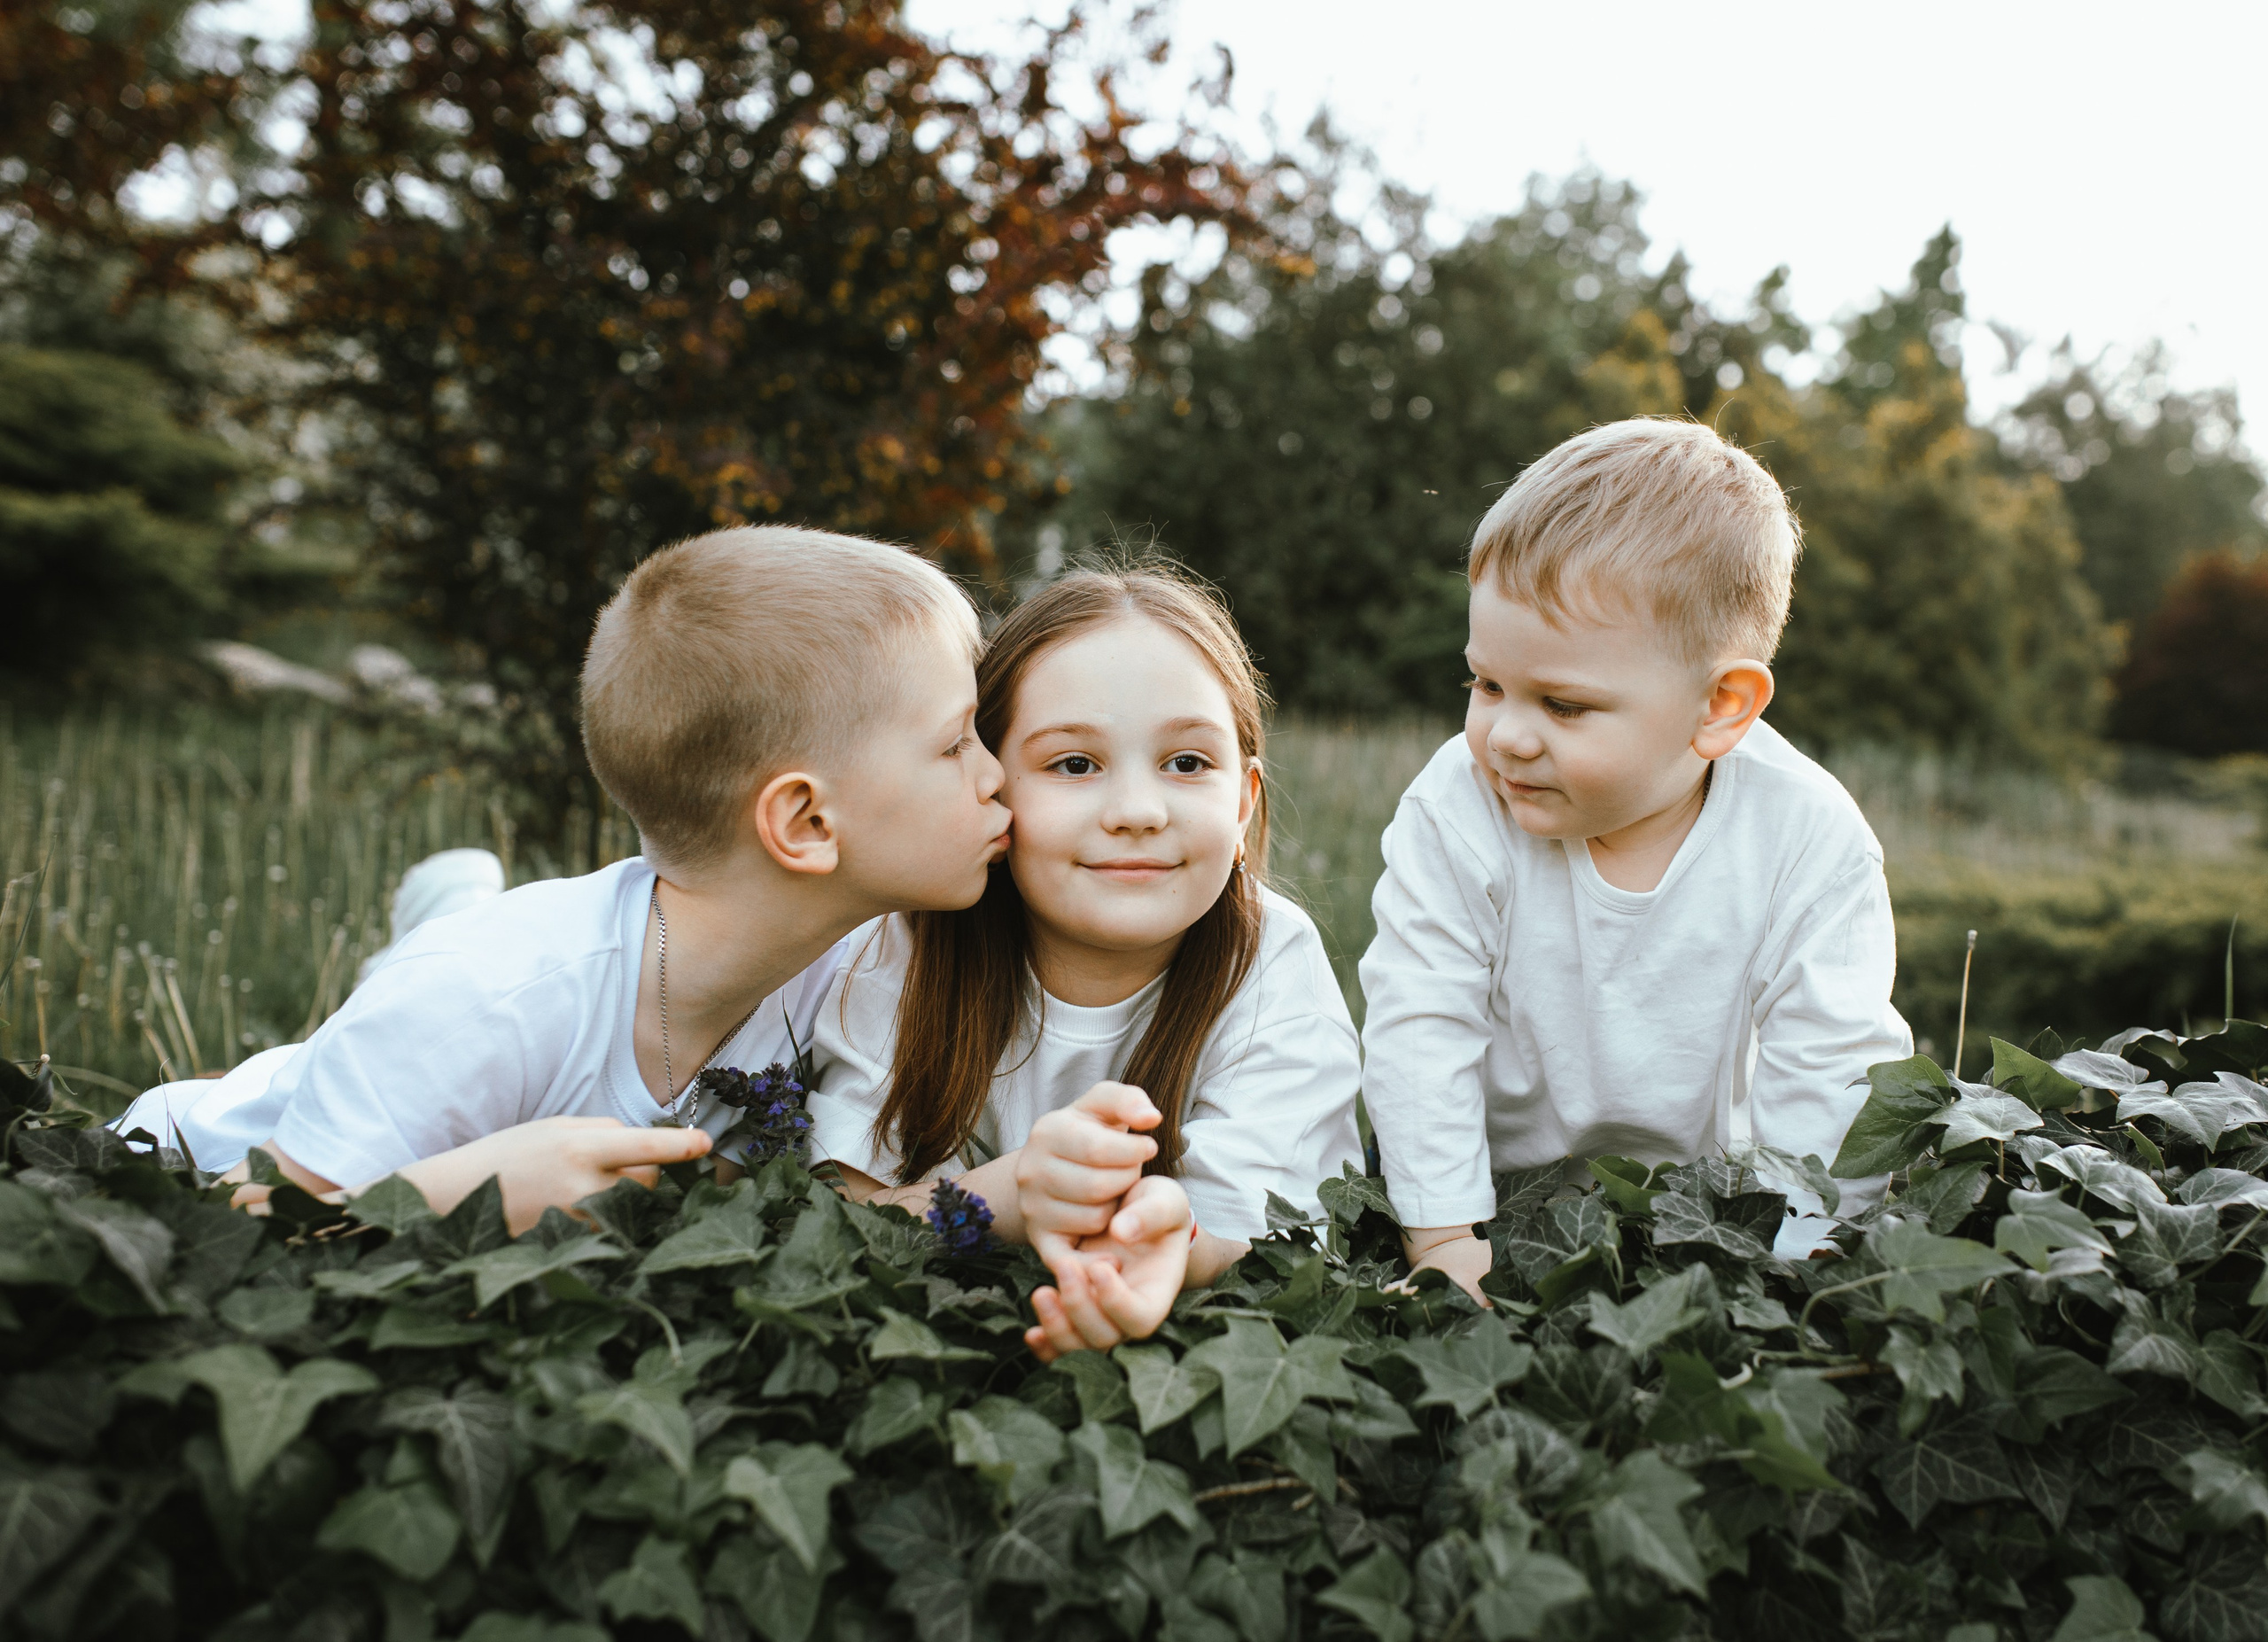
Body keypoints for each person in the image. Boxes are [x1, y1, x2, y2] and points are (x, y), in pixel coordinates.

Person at [120, 525, 1012, 1233]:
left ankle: (452, 896)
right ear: (806, 823)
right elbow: (242, 1231)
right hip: (188, 1160)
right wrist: (465, 1190)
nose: (996, 771)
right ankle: (445, 916)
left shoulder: (852, 950)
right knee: (460, 1005)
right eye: (954, 741)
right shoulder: (483, 1001)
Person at [1358, 418, 1912, 1302]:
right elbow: (1420, 1024)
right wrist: (1443, 1236)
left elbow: (1831, 1066)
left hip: (1689, 1200)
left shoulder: (1807, 838)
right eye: (1485, 683)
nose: (1504, 734)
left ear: (1721, 706)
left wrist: (1799, 1257)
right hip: (1480, 1180)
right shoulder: (1455, 804)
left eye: (1563, 705)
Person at [806, 564, 1362, 1360]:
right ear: (994, 789)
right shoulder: (909, 944)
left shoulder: (1270, 959)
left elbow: (1262, 1232)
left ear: (1242, 804)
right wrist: (1008, 1194)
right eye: (1075, 764)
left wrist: (1164, 1251)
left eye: (1186, 763)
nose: (1138, 811)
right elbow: (845, 1210)